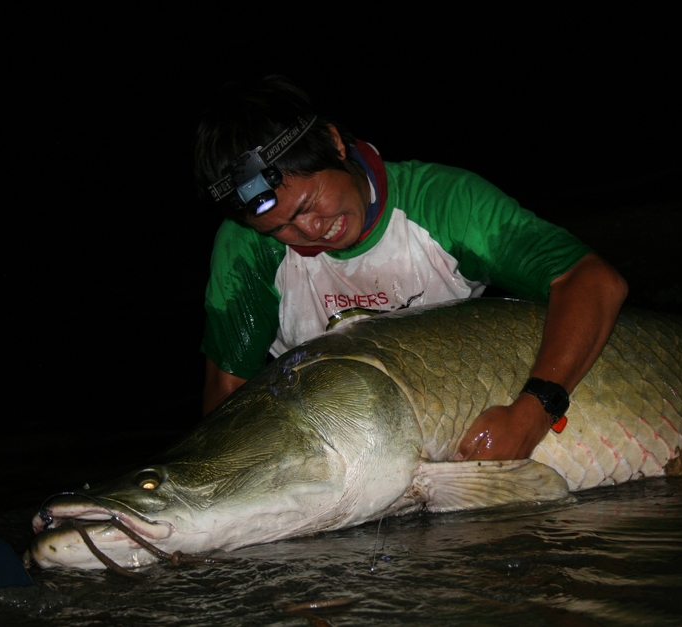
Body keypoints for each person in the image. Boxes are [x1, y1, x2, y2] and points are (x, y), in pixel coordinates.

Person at [195, 76, 628, 461]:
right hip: (330, 446)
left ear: (333, 142)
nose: (309, 229)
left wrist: (535, 410)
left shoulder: (445, 203)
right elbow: (227, 397)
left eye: (308, 205)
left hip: (453, 423)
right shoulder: (246, 248)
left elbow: (591, 280)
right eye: (280, 228)